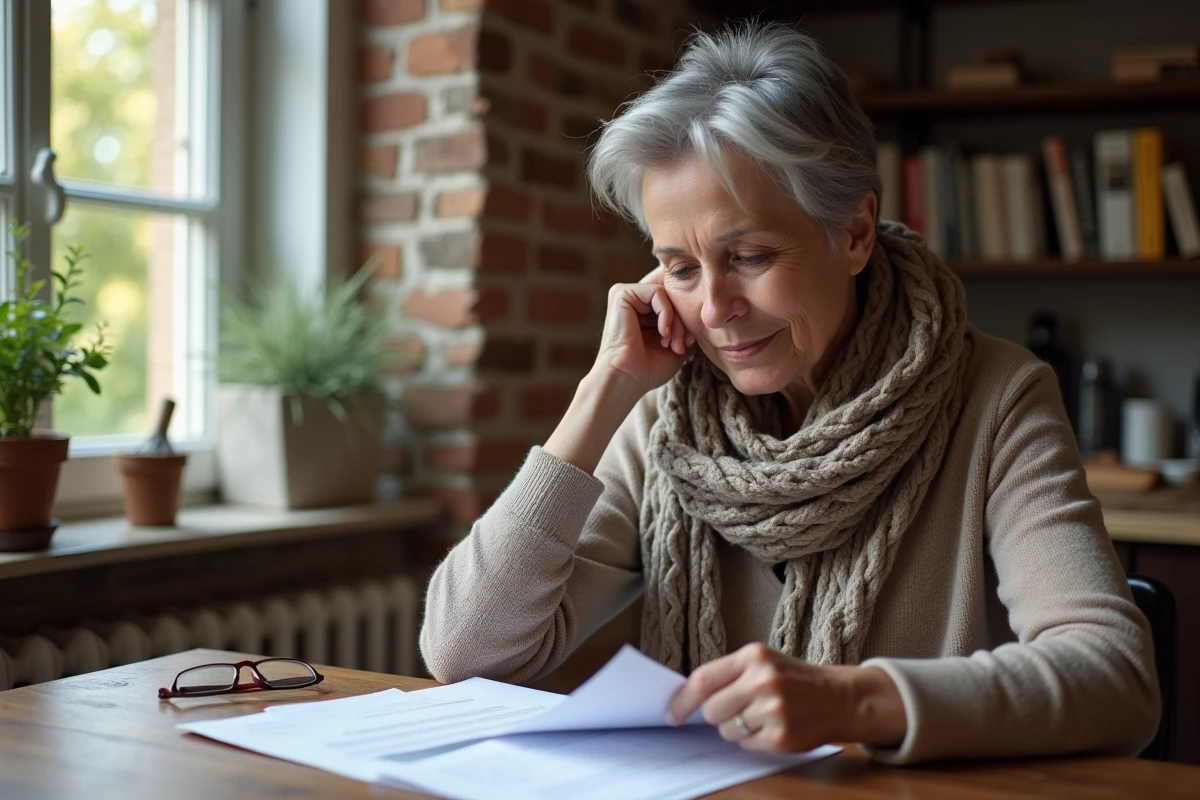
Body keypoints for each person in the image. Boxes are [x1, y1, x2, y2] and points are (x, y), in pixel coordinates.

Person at [420, 21, 1159, 764]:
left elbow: (1116, 677)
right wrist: (602, 393)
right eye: (679, 267)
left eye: (748, 255)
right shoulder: (662, 423)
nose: (713, 308)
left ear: (855, 233)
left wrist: (856, 701)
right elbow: (464, 651)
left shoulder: (998, 398)